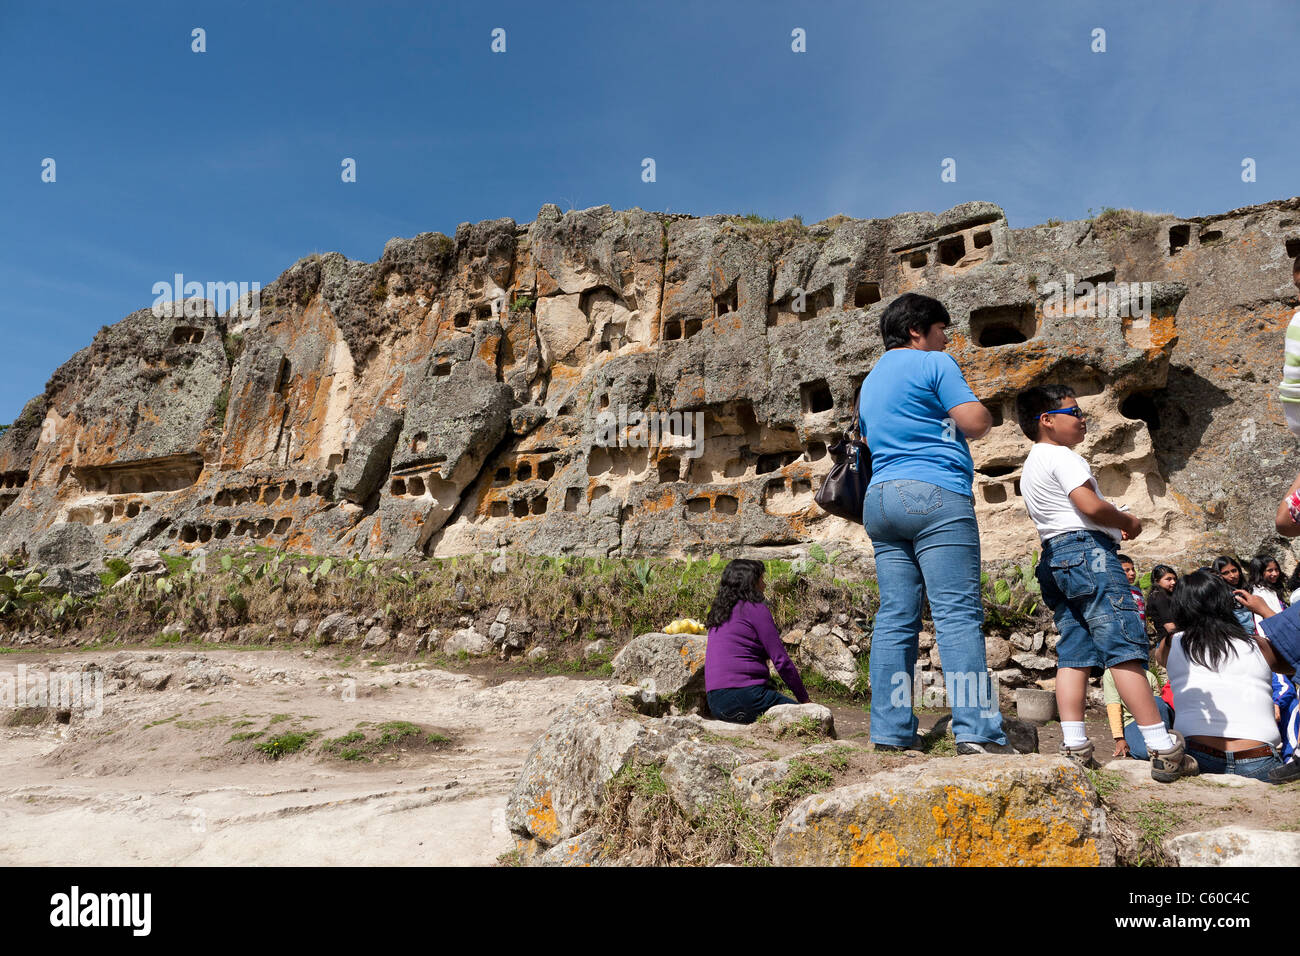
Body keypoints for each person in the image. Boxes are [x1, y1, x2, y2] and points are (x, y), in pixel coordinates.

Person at [1014, 384, 1197, 781]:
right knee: (1125, 646)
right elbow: (1090, 507)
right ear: (1047, 420)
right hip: (1087, 554)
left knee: (1075, 652)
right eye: (1075, 411)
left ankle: (1075, 743)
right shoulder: (1062, 456)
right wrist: (1127, 521)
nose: (1083, 419)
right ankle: (1162, 747)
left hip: (1054, 557)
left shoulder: (1031, 466)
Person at [858, 293, 1014, 754]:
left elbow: (868, 438)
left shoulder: (869, 380)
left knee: (895, 618)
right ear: (917, 330)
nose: (947, 338)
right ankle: (977, 732)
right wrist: (980, 414)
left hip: (880, 500)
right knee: (957, 616)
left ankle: (890, 731)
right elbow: (972, 422)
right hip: (934, 492)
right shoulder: (935, 363)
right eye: (943, 329)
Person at [1154, 571, 1287, 781]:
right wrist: (1265, 610)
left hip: (1197, 755)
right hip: (1259, 757)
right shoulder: (1259, 645)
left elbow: (1162, 660)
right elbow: (1293, 655)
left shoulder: (1172, 643)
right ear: (1226, 602)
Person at [703, 558, 810, 723]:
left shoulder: (719, 613)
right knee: (807, 719)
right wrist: (805, 701)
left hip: (716, 703)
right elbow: (781, 661)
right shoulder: (755, 608)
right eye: (762, 580)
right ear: (751, 583)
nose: (765, 585)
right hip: (745, 698)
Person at [1104, 665, 1173, 760]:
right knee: (1144, 753)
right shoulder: (1110, 674)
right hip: (1131, 721)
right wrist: (1119, 738)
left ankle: (1168, 739)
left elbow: (1160, 706)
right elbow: (1113, 707)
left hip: (1153, 718)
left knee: (1158, 702)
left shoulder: (1149, 675)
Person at [1212, 556, 1257, 636]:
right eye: (1226, 573)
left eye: (1234, 570)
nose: (1232, 575)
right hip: (1239, 636)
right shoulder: (1221, 596)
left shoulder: (1247, 589)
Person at [1248, 554, 1288, 631]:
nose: (1275, 574)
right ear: (1259, 573)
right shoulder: (1259, 593)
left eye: (1276, 569)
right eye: (1270, 570)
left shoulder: (1272, 588)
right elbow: (1260, 621)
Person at [1145, 565, 1178, 642]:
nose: (1173, 582)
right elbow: (1170, 627)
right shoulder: (1159, 596)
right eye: (1168, 579)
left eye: (1174, 579)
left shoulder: (1161, 595)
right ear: (1157, 581)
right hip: (1169, 642)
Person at [1118, 554, 1147, 626]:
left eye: (1133, 569)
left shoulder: (1137, 591)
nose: (1132, 573)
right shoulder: (1115, 593)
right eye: (1127, 570)